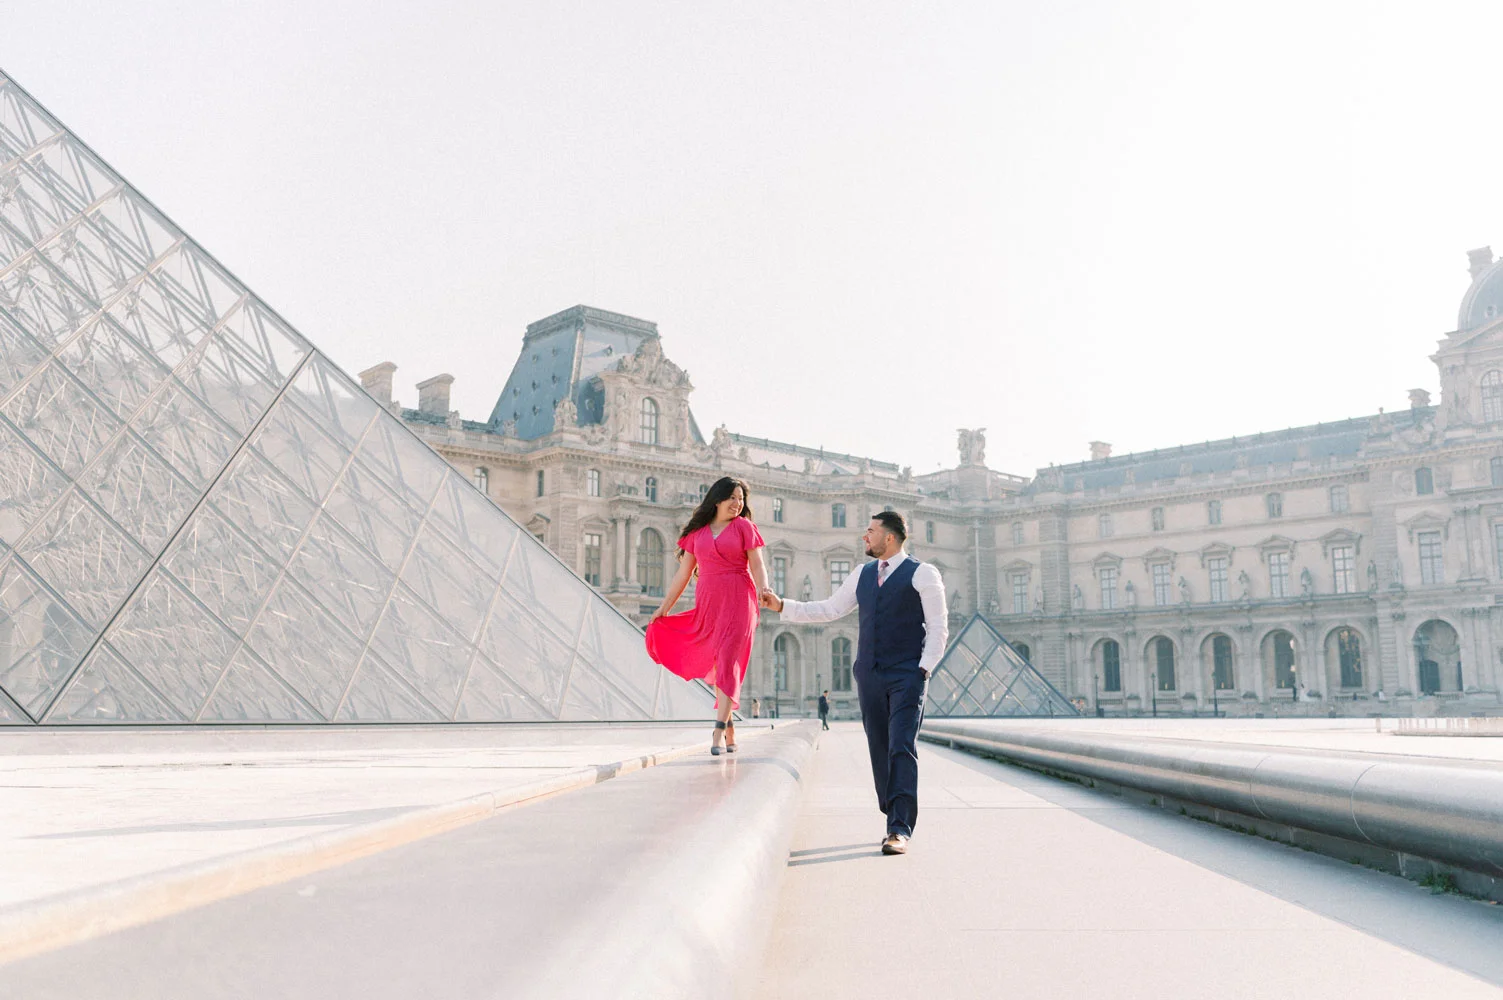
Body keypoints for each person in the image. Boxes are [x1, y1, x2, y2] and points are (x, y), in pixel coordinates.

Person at [762, 512, 946, 855]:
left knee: (901, 747)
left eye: (871, 531)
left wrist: (924, 669)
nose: (865, 537)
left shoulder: (923, 573)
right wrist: (782, 605)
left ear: (888, 538)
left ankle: (899, 828)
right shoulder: (862, 575)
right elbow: (830, 609)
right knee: (879, 748)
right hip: (871, 675)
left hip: (907, 674)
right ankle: (893, 811)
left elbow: (938, 626)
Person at [646, 477, 770, 755]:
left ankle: (717, 728)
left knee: (727, 659)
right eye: (733, 498)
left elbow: (758, 564)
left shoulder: (745, 527)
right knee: (717, 660)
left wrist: (764, 588)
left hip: (740, 599)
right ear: (717, 499)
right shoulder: (698, 533)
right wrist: (665, 607)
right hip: (709, 602)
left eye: (742, 500)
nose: (738, 504)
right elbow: (683, 574)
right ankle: (729, 726)